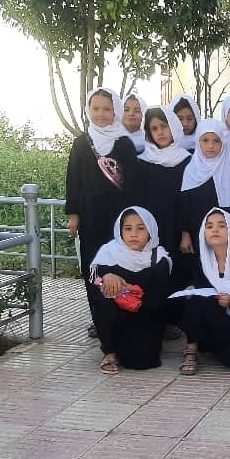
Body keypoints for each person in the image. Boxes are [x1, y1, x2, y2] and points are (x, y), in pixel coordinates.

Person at [65, 87, 139, 329]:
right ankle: (99, 320)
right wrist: (74, 215)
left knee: (120, 264)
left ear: (115, 111)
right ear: (88, 110)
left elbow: (133, 182)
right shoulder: (81, 143)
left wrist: (132, 218)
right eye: (95, 108)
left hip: (119, 218)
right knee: (93, 264)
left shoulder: (124, 143)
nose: (101, 114)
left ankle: (122, 316)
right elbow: (73, 180)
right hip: (90, 217)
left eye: (107, 109)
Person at [90, 207, 173, 373]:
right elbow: (95, 283)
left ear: (150, 231)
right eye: (128, 229)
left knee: (141, 362)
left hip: (146, 316)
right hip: (117, 315)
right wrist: (106, 277)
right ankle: (109, 352)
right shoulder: (109, 252)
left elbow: (158, 300)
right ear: (120, 231)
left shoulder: (159, 258)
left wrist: (130, 290)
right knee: (103, 302)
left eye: (141, 228)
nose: (134, 234)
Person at [176, 208, 230, 374]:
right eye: (209, 226)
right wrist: (191, 288)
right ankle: (191, 350)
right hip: (209, 323)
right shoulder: (203, 261)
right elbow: (198, 287)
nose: (215, 230)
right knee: (195, 297)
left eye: (221, 226)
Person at [178, 119, 230, 256]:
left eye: (216, 141)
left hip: (225, 235)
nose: (211, 146)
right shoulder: (191, 170)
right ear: (198, 142)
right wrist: (185, 234)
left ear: (223, 142)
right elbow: (184, 206)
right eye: (205, 140)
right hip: (196, 233)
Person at [136, 105, 190, 256]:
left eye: (164, 126)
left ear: (173, 126)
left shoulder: (187, 161)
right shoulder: (142, 162)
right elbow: (138, 200)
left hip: (178, 229)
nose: (160, 132)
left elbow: (189, 201)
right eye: (154, 128)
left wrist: (186, 233)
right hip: (150, 228)